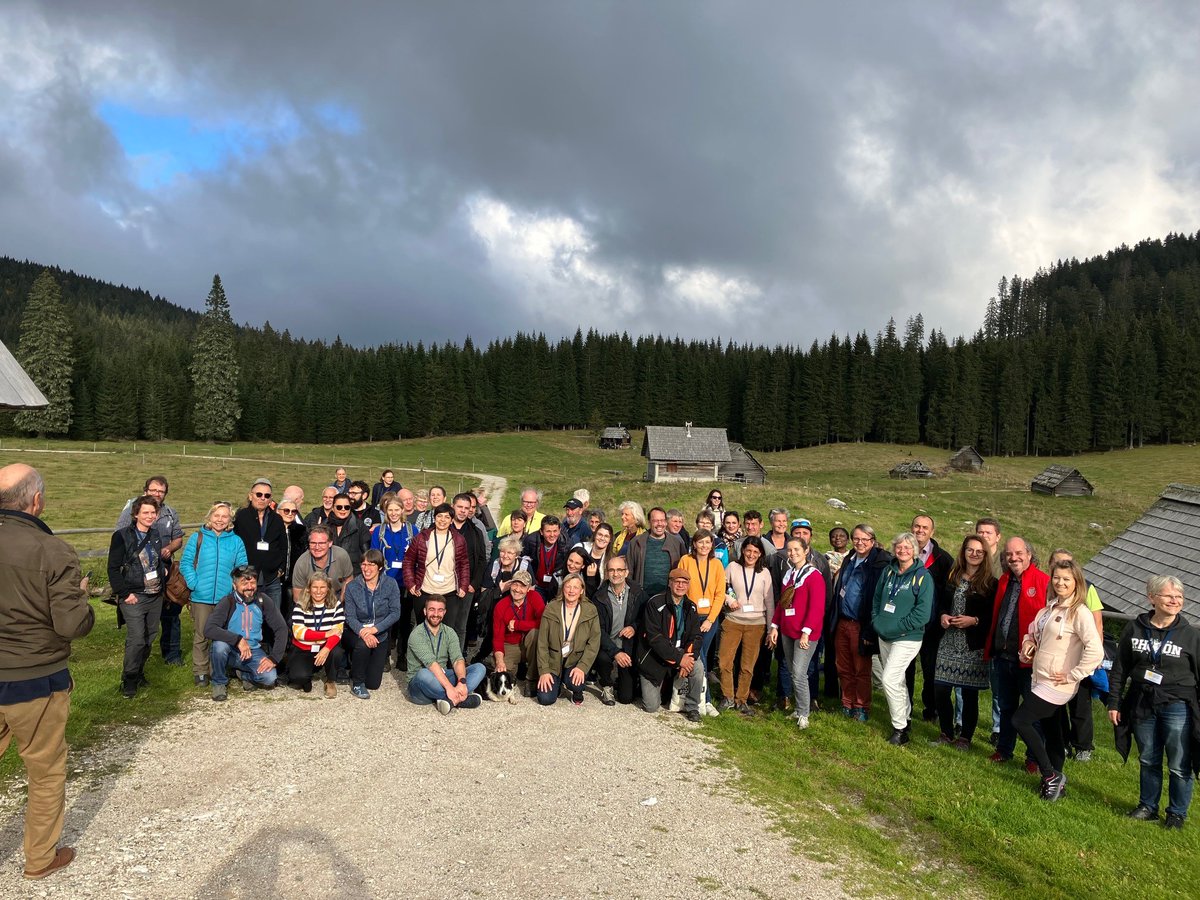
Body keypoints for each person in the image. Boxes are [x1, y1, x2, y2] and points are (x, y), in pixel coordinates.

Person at [0, 463, 94, 880]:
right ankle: (39, 859)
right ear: (36, 500)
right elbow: (72, 625)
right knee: (44, 771)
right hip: (34, 679)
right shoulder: (52, 550)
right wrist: (82, 601)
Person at [1108, 575, 1198, 828]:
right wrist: (1114, 702)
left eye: (1179, 597)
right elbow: (1120, 667)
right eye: (1169, 596)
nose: (1175, 601)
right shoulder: (1135, 629)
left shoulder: (1189, 635)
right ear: (1152, 598)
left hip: (1177, 704)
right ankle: (1148, 806)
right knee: (1148, 757)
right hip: (1142, 702)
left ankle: (1177, 813)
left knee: (1180, 762)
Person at [1011, 559, 1103, 801]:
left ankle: (1050, 774)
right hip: (1040, 676)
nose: (1060, 582)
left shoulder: (1079, 612)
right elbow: (1031, 634)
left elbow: (1096, 650)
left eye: (1066, 579)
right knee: (1053, 731)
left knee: (1020, 720)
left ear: (1076, 583)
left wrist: (1074, 674)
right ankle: (1056, 782)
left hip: (1057, 683)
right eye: (1057, 578)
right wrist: (1028, 645)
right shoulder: (1049, 608)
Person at [985, 537, 1050, 766]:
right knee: (1006, 707)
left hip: (1030, 661)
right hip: (1004, 656)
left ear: (1029, 554)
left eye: (1018, 553)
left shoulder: (1043, 581)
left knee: (1032, 713)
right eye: (1009, 554)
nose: (1014, 558)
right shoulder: (1004, 581)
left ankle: (1033, 758)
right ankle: (1004, 749)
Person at [932, 535, 996, 750]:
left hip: (972, 646)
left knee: (969, 694)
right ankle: (946, 733)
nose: (974, 554)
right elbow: (942, 603)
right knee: (940, 689)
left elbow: (992, 616)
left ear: (985, 555)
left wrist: (974, 620)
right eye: (970, 550)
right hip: (948, 641)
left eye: (979, 551)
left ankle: (965, 738)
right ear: (963, 552)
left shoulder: (990, 582)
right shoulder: (953, 576)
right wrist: (943, 615)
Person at [871, 532, 934, 745]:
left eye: (907, 547)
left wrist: (898, 627)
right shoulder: (888, 572)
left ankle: (899, 729)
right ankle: (906, 718)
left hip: (907, 637)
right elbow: (877, 598)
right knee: (896, 680)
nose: (902, 550)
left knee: (889, 678)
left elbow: (922, 614)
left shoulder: (923, 576)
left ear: (915, 550)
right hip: (884, 634)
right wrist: (876, 621)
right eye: (899, 547)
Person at [115, 476, 184, 665]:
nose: (157, 494)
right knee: (142, 622)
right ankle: (136, 662)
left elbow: (178, 537)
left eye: (161, 491)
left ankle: (172, 654)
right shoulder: (132, 508)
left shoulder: (170, 513)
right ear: (146, 491)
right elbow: (120, 536)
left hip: (164, 569)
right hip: (138, 572)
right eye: (153, 490)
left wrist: (169, 548)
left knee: (171, 613)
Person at [180, 502, 248, 686]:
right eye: (216, 515)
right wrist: (195, 583)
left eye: (224, 516)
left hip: (225, 598)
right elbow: (185, 563)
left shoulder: (236, 541)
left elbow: (241, 567)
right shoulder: (197, 538)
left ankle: (218, 669)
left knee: (223, 635)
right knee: (201, 635)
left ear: (230, 520)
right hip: (201, 596)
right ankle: (201, 671)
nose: (220, 520)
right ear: (210, 517)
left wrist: (234, 587)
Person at [1047, 548, 1105, 762]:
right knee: (1057, 704)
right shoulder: (1050, 588)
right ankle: (1061, 743)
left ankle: (1083, 745)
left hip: (1080, 656)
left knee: (1080, 704)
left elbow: (1098, 621)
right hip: (1057, 658)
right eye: (1057, 563)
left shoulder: (1088, 588)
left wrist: (1095, 658)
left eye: (1067, 563)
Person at [828, 524, 890, 721]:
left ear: (872, 541)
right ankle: (847, 703)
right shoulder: (849, 559)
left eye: (864, 539)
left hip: (861, 623)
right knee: (844, 666)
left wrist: (870, 630)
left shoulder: (878, 563)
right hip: (843, 621)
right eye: (856, 539)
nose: (860, 543)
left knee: (861, 669)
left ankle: (861, 707)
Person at [107, 494, 167, 699]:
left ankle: (139, 672)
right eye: (146, 512)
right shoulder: (122, 536)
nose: (150, 516)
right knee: (137, 639)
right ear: (135, 514)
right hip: (134, 596)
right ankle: (129, 679)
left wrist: (163, 571)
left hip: (155, 594)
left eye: (153, 512)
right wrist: (125, 594)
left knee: (150, 637)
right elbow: (113, 568)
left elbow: (156, 560)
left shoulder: (156, 534)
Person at [204, 565, 288, 701]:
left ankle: (244, 675)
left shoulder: (263, 600)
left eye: (252, 582)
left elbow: (281, 628)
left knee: (270, 678)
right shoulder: (228, 602)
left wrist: (274, 658)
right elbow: (209, 629)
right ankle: (219, 682)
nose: (249, 587)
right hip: (231, 649)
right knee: (219, 646)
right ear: (234, 585)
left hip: (253, 651)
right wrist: (237, 640)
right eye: (244, 583)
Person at [768, 537, 826, 728]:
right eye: (789, 550)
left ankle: (804, 713)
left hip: (805, 633)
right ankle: (799, 708)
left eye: (796, 550)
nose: (792, 553)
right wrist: (775, 626)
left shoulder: (814, 576)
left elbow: (817, 608)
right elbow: (782, 604)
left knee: (800, 673)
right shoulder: (790, 575)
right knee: (793, 671)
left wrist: (806, 632)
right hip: (787, 629)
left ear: (806, 550)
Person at [638, 568, 705, 722]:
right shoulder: (655, 603)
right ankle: (659, 684)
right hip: (655, 655)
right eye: (677, 582)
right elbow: (654, 638)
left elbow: (696, 636)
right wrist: (679, 659)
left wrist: (687, 659)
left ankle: (692, 707)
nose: (681, 586)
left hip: (681, 652)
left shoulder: (691, 606)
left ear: (688, 585)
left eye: (684, 582)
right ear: (670, 583)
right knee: (651, 707)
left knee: (698, 667)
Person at [402, 503, 471, 645]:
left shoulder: (458, 539)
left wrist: (463, 586)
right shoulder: (422, 538)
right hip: (425, 590)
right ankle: (424, 662)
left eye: (447, 517)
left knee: (447, 631)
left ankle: (443, 664)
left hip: (450, 591)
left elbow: (464, 564)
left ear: (452, 520)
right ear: (434, 518)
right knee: (424, 630)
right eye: (439, 516)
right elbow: (408, 561)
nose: (443, 520)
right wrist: (411, 584)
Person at [720, 540, 775, 713]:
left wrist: (771, 628)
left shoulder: (765, 573)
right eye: (748, 551)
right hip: (733, 621)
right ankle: (727, 696)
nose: (751, 555)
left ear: (760, 554)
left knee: (747, 665)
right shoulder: (732, 568)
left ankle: (741, 699)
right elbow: (721, 588)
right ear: (743, 550)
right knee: (724, 661)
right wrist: (729, 600)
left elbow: (770, 602)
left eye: (755, 552)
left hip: (756, 624)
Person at [406, 595, 485, 714]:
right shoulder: (416, 634)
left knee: (479, 668)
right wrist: (449, 687)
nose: (436, 614)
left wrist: (462, 682)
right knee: (423, 674)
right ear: (425, 611)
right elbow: (431, 665)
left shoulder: (449, 632)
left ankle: (450, 699)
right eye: (432, 609)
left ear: (445, 612)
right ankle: (461, 699)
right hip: (421, 685)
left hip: (443, 676)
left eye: (440, 610)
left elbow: (457, 659)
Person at [910, 514, 955, 723]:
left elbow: (949, 592)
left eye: (925, 527)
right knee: (905, 669)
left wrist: (942, 617)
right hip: (907, 626)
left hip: (932, 627)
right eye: (917, 526)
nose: (920, 530)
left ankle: (931, 710)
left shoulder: (943, 559)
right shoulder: (903, 553)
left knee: (931, 671)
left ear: (932, 532)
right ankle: (905, 707)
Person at [343, 550, 403, 699]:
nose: (366, 568)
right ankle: (357, 684)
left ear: (380, 567)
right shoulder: (352, 586)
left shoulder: (390, 584)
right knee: (362, 645)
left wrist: (374, 629)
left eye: (371, 564)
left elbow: (395, 613)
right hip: (356, 631)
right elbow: (349, 616)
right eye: (363, 564)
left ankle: (356, 667)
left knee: (373, 683)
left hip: (380, 633)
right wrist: (364, 631)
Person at [679, 528, 726, 717]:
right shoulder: (686, 560)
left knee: (702, 655)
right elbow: (680, 588)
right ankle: (702, 700)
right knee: (697, 655)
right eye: (700, 542)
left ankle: (703, 700)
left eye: (708, 542)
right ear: (694, 544)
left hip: (709, 618)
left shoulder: (716, 565)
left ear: (712, 545)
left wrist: (710, 619)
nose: (704, 546)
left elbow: (720, 594)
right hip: (690, 616)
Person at [535, 573, 601, 706]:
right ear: (563, 588)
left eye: (576, 587)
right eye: (568, 586)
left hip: (575, 661)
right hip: (554, 661)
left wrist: (582, 667)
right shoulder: (551, 608)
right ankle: (557, 685)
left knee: (575, 683)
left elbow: (594, 641)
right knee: (545, 699)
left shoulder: (590, 610)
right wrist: (544, 671)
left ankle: (577, 692)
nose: (571, 591)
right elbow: (542, 643)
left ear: (582, 590)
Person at [592, 557, 648, 706]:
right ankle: (606, 684)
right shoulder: (599, 597)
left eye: (619, 570)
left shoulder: (638, 593)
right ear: (606, 573)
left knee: (626, 698)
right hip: (607, 645)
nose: (615, 574)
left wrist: (634, 627)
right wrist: (615, 652)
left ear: (626, 572)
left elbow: (645, 618)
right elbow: (598, 630)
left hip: (628, 646)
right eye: (611, 570)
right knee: (603, 658)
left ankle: (625, 681)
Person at [373, 496, 419, 666]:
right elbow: (374, 556)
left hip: (406, 582)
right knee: (385, 621)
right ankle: (384, 656)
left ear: (402, 511)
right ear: (386, 511)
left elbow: (419, 555)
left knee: (405, 621)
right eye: (390, 510)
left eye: (396, 510)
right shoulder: (380, 531)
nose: (393, 513)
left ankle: (402, 655)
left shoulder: (412, 530)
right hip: (386, 581)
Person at [232, 477, 288, 609]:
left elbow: (283, 546)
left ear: (270, 499)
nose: (262, 498)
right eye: (259, 494)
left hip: (271, 577)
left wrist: (281, 568)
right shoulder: (240, 517)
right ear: (251, 496)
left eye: (267, 495)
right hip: (247, 576)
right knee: (248, 616)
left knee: (273, 617)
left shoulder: (277, 519)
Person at [287, 572, 345, 698]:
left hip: (325, 648)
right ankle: (308, 675)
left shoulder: (336, 605)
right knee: (297, 678)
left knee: (337, 652)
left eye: (322, 587)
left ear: (328, 589)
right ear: (308, 589)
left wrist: (326, 648)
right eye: (315, 587)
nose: (318, 591)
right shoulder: (300, 605)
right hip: (304, 648)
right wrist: (326, 633)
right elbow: (299, 633)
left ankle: (330, 680)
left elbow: (338, 631)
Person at [491, 570, 545, 694]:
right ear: (510, 584)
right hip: (510, 644)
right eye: (515, 584)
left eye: (522, 586)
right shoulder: (501, 605)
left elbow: (543, 622)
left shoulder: (535, 597)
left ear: (529, 588)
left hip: (530, 642)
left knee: (535, 634)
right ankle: (517, 668)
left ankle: (531, 678)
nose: (517, 589)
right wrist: (500, 661)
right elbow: (497, 637)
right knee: (501, 672)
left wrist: (518, 624)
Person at [626, 507, 685, 598]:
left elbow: (683, 570)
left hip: (669, 596)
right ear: (649, 522)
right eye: (656, 521)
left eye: (662, 520)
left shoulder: (677, 543)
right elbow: (629, 571)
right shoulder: (636, 542)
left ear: (666, 522)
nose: (660, 524)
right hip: (642, 596)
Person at [276, 497, 307, 615]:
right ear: (278, 511)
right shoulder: (272, 530)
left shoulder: (301, 530)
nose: (290, 514)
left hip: (295, 581)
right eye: (286, 510)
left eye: (293, 511)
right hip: (275, 580)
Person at [524, 514, 567, 598]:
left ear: (560, 530)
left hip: (555, 585)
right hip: (537, 585)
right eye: (548, 531)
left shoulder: (566, 543)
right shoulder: (530, 541)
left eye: (555, 531)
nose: (552, 535)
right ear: (541, 532)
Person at [327, 491, 369, 574]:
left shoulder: (359, 526)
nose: (343, 509)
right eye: (339, 507)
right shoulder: (324, 526)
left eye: (346, 507)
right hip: (329, 573)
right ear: (333, 507)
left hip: (353, 573)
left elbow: (366, 553)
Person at [576, 522, 613, 597]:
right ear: (595, 534)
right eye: (600, 534)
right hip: (575, 592)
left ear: (610, 540)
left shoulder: (611, 559)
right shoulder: (580, 547)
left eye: (606, 536)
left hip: (598, 597)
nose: (602, 538)